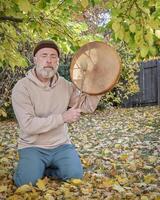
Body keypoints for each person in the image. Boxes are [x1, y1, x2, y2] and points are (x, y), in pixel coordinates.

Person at [12, 40, 101, 187]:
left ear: (58, 62)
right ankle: (33, 167)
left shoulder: (65, 85)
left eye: (53, 56)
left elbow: (86, 106)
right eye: (44, 55)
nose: (49, 60)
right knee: (25, 183)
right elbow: (28, 125)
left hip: (61, 145)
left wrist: (98, 85)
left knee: (75, 176)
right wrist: (63, 118)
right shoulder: (22, 88)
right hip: (32, 146)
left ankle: (45, 170)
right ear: (35, 60)